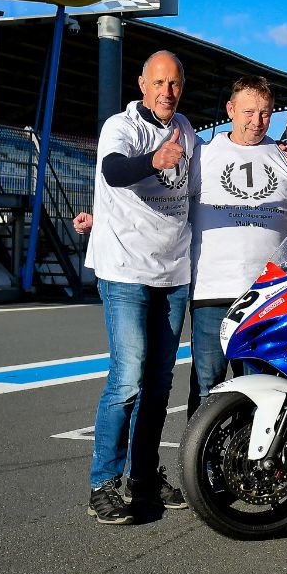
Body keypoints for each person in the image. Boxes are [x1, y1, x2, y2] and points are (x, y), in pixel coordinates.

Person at [184, 76, 287, 415]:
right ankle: (198, 465)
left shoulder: (284, 159)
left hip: (268, 297)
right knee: (208, 391)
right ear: (231, 110)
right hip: (211, 294)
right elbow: (167, 204)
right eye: (249, 111)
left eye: (264, 113)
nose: (257, 121)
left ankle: (253, 466)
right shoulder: (202, 155)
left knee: (263, 392)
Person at [84, 50, 194, 525]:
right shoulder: (122, 127)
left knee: (159, 384)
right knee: (128, 376)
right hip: (125, 267)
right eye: (159, 83)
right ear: (142, 84)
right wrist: (154, 159)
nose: (167, 92)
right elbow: (114, 171)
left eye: (174, 84)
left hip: (173, 272)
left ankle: (143, 477)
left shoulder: (187, 129)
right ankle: (102, 485)